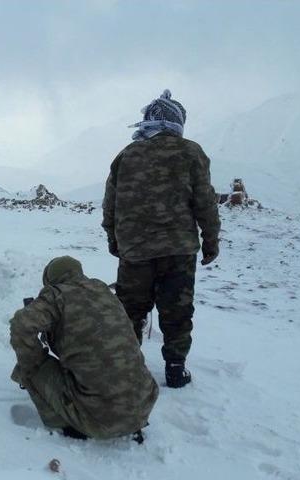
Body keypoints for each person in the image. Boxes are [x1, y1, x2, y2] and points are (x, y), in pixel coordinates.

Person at [102, 89, 221, 389]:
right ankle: (175, 369)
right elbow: (205, 202)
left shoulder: (126, 156)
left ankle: (126, 368)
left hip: (135, 250)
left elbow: (110, 204)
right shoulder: (191, 152)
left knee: (130, 309)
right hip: (178, 250)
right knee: (177, 311)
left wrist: (114, 241)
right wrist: (210, 241)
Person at [9, 256, 158, 441]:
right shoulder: (102, 290)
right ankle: (126, 420)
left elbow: (21, 326)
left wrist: (33, 362)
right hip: (144, 404)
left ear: (50, 280)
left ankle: (66, 424)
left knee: (31, 367)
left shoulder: (55, 296)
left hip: (99, 420)